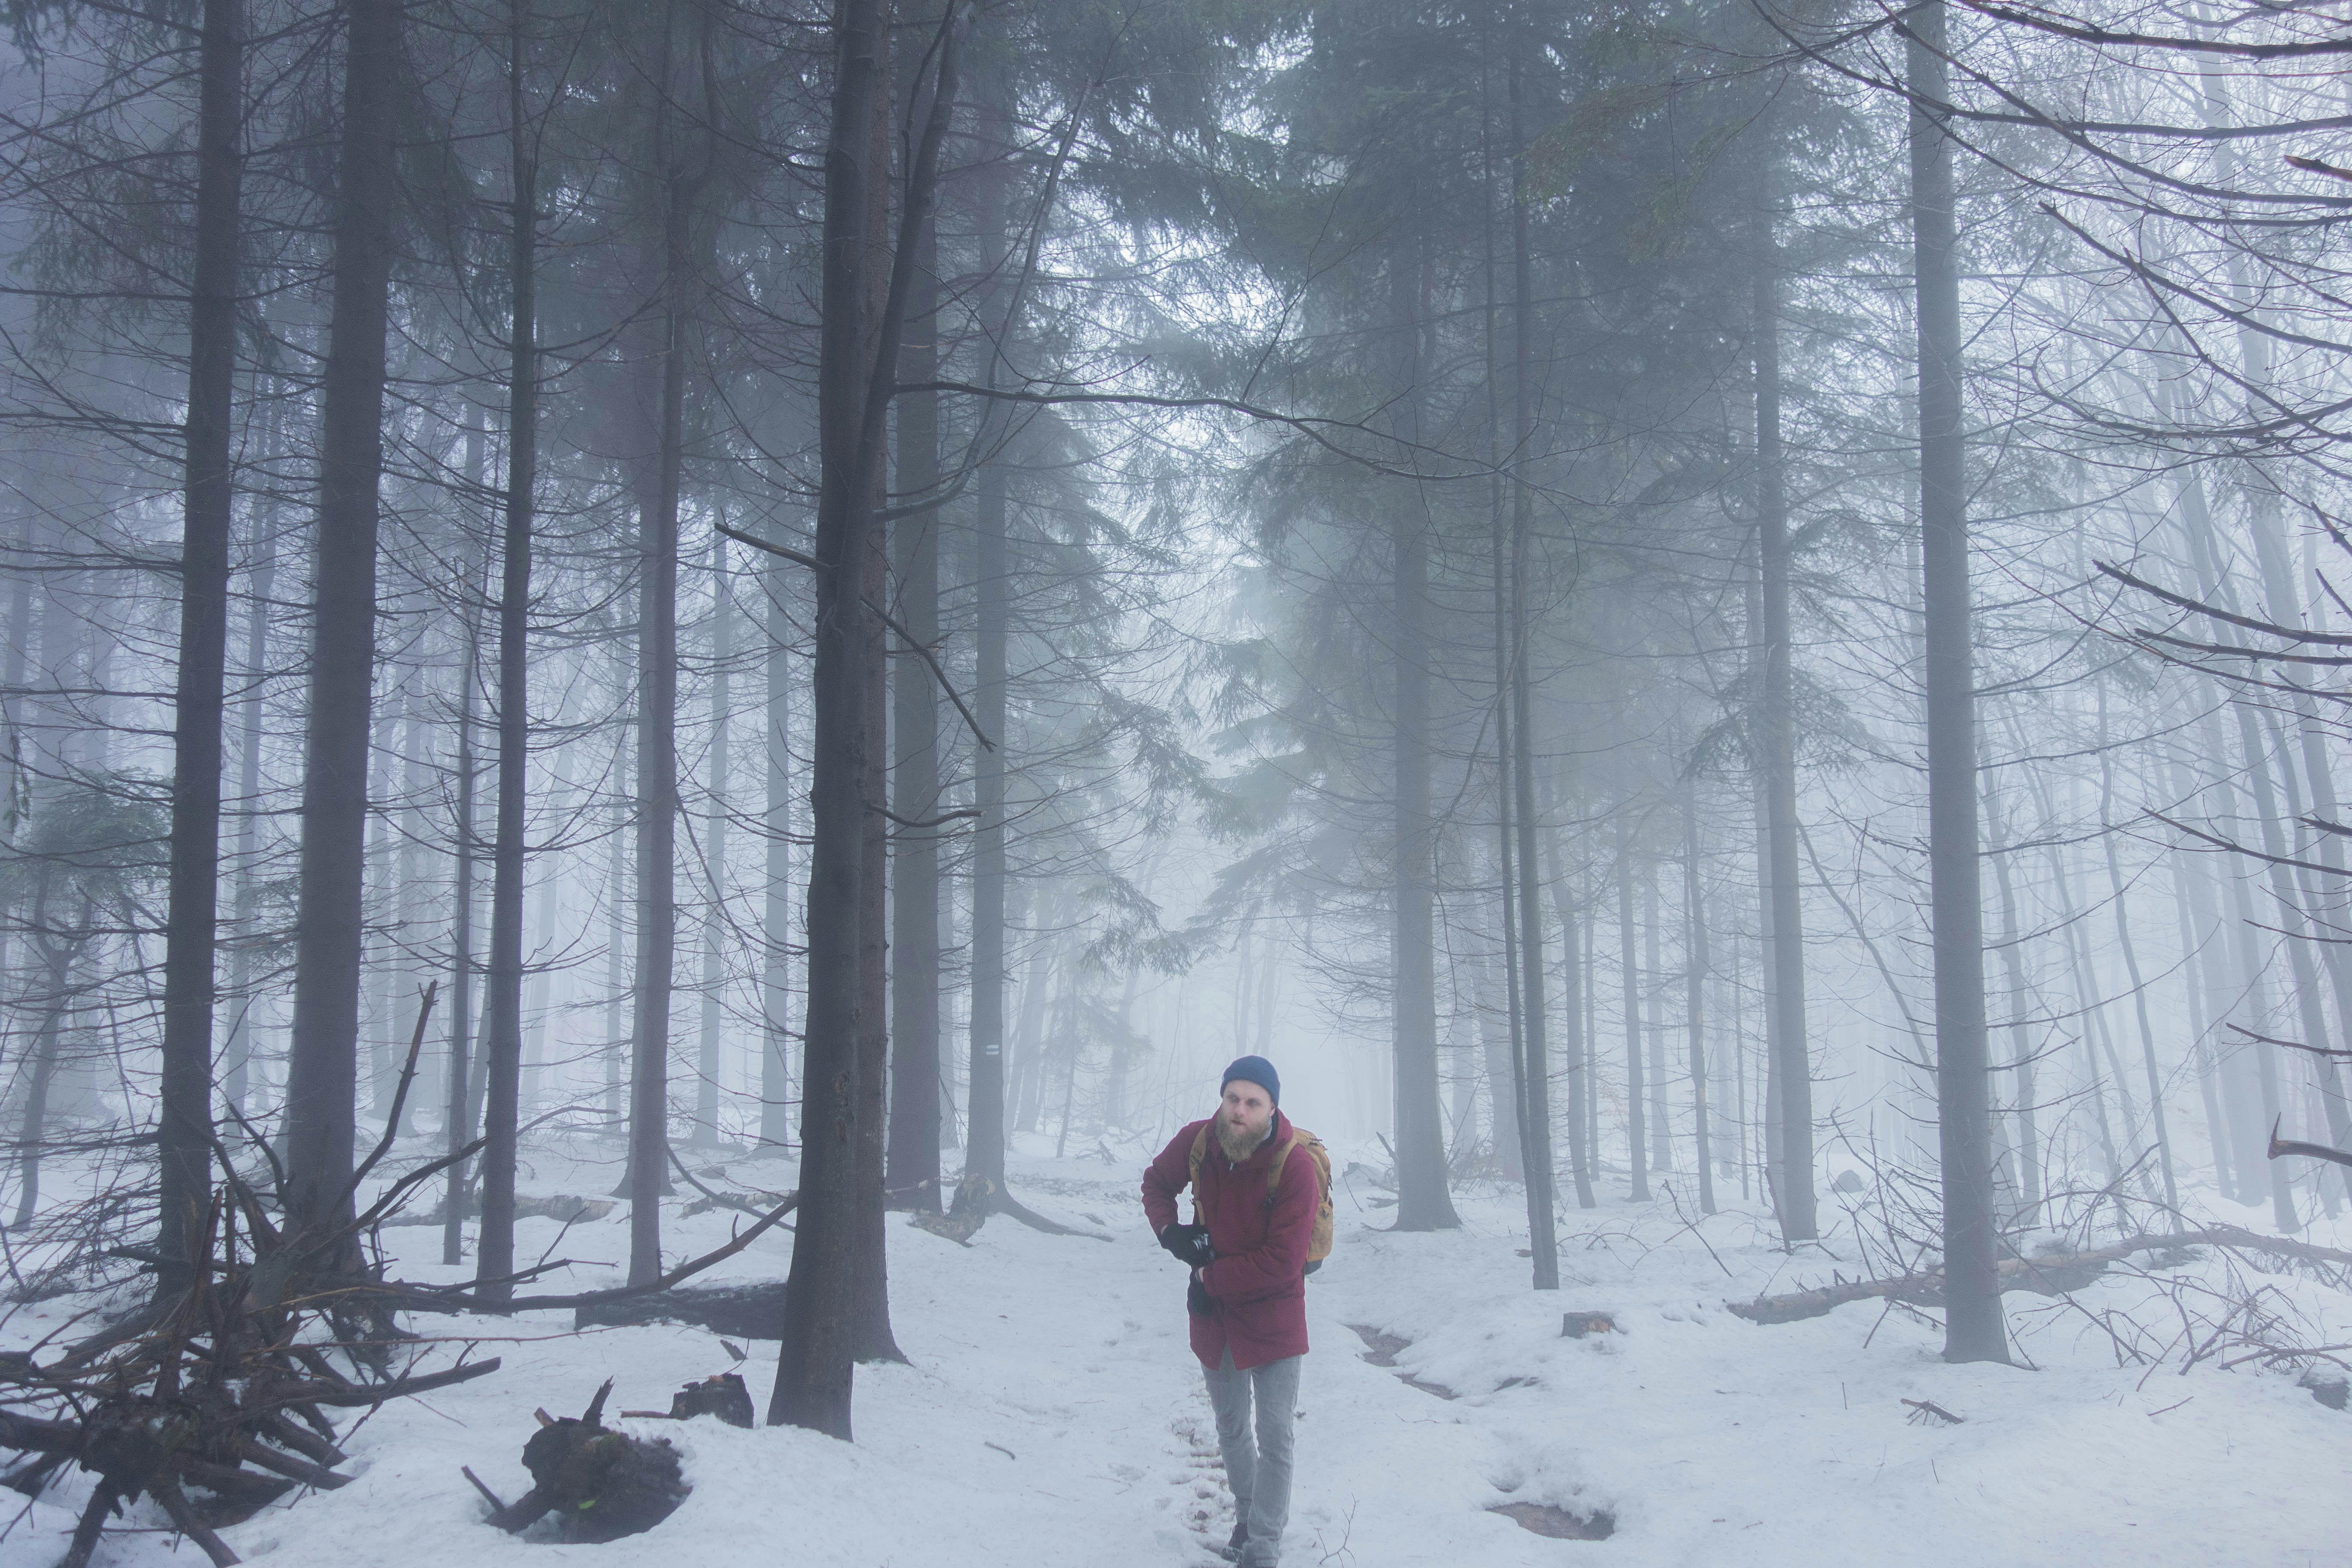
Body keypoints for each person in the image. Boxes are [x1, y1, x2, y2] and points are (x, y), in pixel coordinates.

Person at [1142, 1057, 1316, 1567]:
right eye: (1232, 1098)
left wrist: (1210, 1276)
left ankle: (1263, 1547)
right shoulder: (1201, 1142)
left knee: (1277, 1436)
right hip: (1214, 1319)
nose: (1239, 1111)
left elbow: (1283, 1264)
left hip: (1275, 1321)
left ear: (1271, 1109)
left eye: (1252, 1102)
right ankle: (1246, 1518)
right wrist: (1170, 1232)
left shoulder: (1294, 1167)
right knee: (1232, 1427)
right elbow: (1156, 1182)